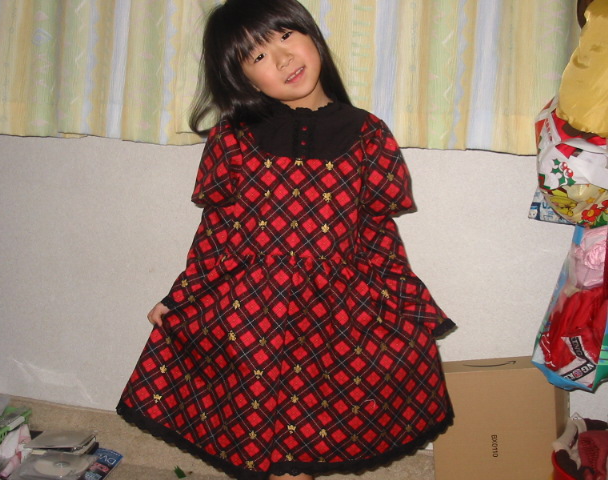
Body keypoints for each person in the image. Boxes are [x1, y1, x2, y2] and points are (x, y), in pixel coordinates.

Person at [116, 1, 455, 479]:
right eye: (256, 56)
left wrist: (409, 303)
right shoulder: (233, 137)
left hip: (337, 314)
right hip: (252, 312)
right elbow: (216, 235)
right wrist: (181, 296)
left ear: (312, 36)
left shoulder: (369, 134)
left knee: (311, 437)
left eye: (285, 36)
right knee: (260, 437)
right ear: (245, 80)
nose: (281, 58)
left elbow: (379, 237)